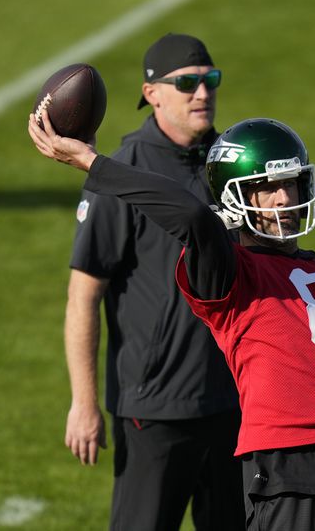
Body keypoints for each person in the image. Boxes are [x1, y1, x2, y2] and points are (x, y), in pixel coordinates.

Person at [29, 114, 315, 531]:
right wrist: (91, 162)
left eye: (290, 184)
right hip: (293, 474)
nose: (285, 199)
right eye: (267, 188)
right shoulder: (233, 274)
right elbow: (196, 219)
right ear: (235, 198)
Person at [62, 33, 243, 531]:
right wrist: (84, 402)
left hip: (236, 399)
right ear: (152, 93)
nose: (202, 92)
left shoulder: (230, 164)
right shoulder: (123, 173)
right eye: (187, 83)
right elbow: (83, 295)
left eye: (211, 80)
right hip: (157, 408)